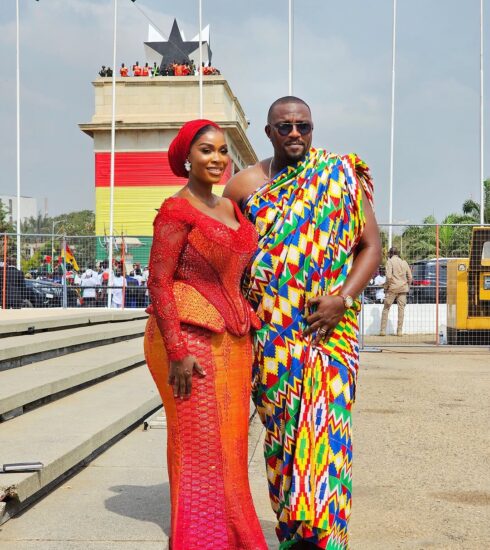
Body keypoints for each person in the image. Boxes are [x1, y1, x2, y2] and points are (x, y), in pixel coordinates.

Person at [224, 96, 381, 550]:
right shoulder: (243, 188)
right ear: (268, 133)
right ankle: (294, 534)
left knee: (328, 435)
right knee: (283, 437)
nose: (296, 134)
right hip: (271, 339)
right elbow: (226, 258)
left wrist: (343, 299)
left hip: (331, 333)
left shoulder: (339, 175)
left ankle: (328, 540)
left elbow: (370, 246)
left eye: (304, 126)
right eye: (285, 127)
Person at [144, 119, 267, 550]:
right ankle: (202, 537)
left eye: (221, 151)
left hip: (235, 339)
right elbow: (158, 281)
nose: (216, 159)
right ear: (186, 158)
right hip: (187, 339)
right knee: (198, 439)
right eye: (206, 151)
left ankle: (233, 528)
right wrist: (176, 351)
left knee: (232, 441)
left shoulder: (231, 208)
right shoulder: (176, 211)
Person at [380, 247, 412, 336]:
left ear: (390, 253)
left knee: (386, 308)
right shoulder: (404, 262)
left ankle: (383, 330)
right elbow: (410, 277)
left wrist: (386, 287)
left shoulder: (389, 262)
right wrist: (407, 286)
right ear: (398, 253)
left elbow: (389, 276)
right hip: (403, 288)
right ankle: (399, 331)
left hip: (392, 288)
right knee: (401, 309)